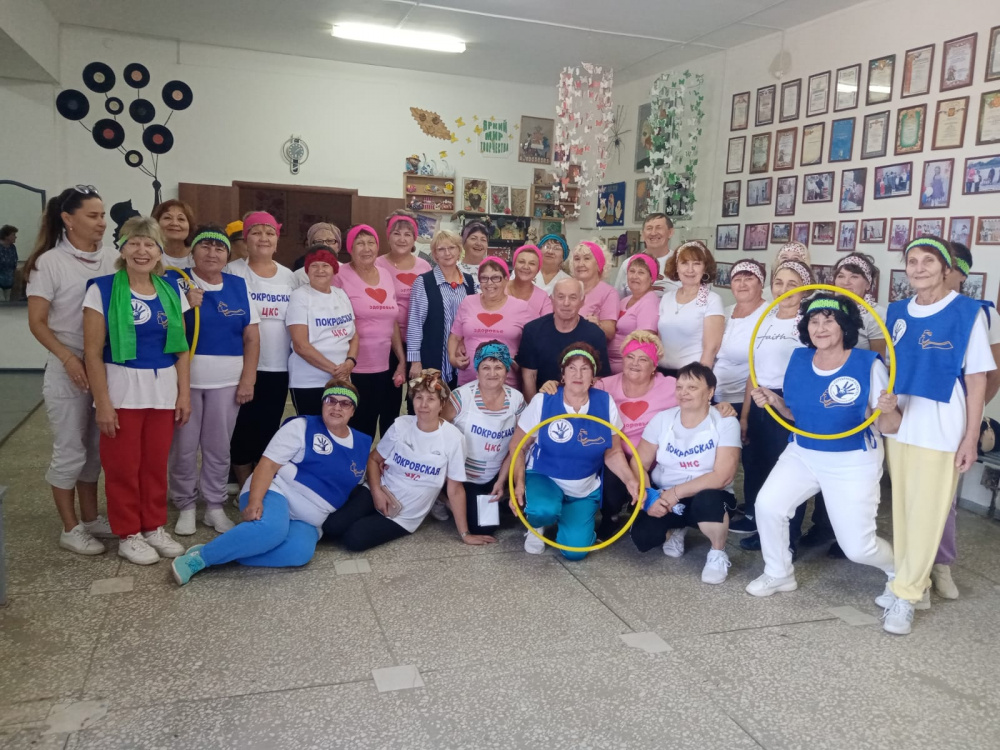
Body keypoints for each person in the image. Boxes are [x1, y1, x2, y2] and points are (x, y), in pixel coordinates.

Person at [876, 237, 994, 635]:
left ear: (947, 268)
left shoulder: (967, 312)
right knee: (904, 510)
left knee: (928, 514)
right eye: (912, 261)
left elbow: (976, 380)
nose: (919, 268)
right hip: (902, 422)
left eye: (928, 260)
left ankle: (907, 595)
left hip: (942, 424)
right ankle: (914, 582)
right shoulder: (896, 311)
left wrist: (970, 437)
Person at [744, 294, 895, 597]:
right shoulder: (799, 359)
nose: (820, 328)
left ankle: (902, 573)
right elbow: (796, 415)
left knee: (858, 548)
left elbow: (889, 427)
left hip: (852, 458)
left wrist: (889, 410)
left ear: (845, 326)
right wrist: (775, 401)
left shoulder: (867, 365)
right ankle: (778, 573)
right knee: (769, 506)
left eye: (829, 321)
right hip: (802, 451)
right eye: (814, 321)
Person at [171, 380, 372, 584]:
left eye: (345, 403)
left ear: (353, 411)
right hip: (276, 492)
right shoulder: (301, 426)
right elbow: (267, 465)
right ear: (322, 403)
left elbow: (357, 481)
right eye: (331, 400)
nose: (337, 407)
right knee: (272, 529)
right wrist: (255, 501)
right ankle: (200, 558)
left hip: (309, 519)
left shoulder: (362, 443)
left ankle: (228, 551)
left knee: (299, 553)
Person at [82, 216, 191, 565]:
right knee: (123, 466)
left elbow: (181, 348)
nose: (142, 251)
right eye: (134, 243)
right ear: (122, 249)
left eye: (149, 244)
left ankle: (153, 525)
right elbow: (92, 352)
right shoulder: (101, 289)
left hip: (163, 389)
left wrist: (184, 393)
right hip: (122, 388)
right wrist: (103, 403)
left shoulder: (171, 290)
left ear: (159, 252)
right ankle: (128, 533)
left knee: (155, 464)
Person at [25, 186, 118, 555]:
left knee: (95, 449)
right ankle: (70, 527)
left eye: (102, 215)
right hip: (68, 365)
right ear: (68, 219)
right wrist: (68, 358)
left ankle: (91, 518)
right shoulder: (49, 262)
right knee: (70, 449)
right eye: (93, 216)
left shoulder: (112, 258)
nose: (101, 222)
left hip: (105, 363)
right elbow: (37, 322)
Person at [321, 369, 496, 550]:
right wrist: (376, 492)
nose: (423, 405)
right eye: (419, 397)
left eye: (431, 399)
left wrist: (465, 534)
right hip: (380, 489)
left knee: (354, 539)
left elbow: (455, 489)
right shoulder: (401, 424)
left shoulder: (454, 438)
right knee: (332, 526)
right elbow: (374, 460)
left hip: (405, 515)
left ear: (442, 404)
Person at [166, 224, 260, 536]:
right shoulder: (175, 282)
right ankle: (185, 504)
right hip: (185, 383)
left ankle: (215, 505)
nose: (212, 253)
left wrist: (248, 379)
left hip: (227, 382)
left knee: (219, 447)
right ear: (192, 251)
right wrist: (184, 302)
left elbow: (252, 337)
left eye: (219, 248)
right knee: (184, 447)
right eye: (205, 246)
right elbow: (161, 325)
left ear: (228, 254)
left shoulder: (238, 285)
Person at [511, 343, 638, 559]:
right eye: (571, 368)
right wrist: (519, 483)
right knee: (543, 510)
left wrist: (630, 480)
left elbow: (613, 452)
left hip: (583, 488)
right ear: (562, 374)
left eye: (585, 369)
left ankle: (566, 517)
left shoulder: (605, 402)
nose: (578, 374)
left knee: (575, 553)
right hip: (544, 477)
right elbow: (518, 446)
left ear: (593, 377)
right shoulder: (543, 400)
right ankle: (538, 523)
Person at [800, 251, 886, 553]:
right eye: (841, 276)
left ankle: (846, 535)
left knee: (847, 477)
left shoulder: (874, 315)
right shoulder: (824, 308)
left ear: (868, 284)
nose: (846, 282)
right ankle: (822, 527)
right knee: (819, 467)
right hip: (822, 397)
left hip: (853, 399)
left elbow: (879, 358)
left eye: (854, 277)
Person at [931, 242, 1000, 599]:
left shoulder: (982, 314)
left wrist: (971, 418)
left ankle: (941, 563)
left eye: (947, 264)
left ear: (960, 272)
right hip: (913, 413)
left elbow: (992, 373)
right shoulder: (914, 308)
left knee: (945, 496)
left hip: (955, 413)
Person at [630, 363, 739, 584]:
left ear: (710, 392)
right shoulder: (663, 419)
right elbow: (638, 463)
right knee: (643, 537)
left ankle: (717, 552)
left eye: (692, 387)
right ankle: (675, 530)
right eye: (679, 387)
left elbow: (723, 476)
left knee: (708, 501)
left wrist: (676, 493)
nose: (683, 393)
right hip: (664, 493)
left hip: (707, 493)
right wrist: (650, 497)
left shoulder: (725, 422)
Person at [732, 259, 814, 544]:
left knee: (787, 473)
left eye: (793, 284)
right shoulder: (765, 319)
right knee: (758, 467)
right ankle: (762, 529)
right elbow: (753, 372)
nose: (784, 289)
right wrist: (745, 416)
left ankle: (788, 537)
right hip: (759, 400)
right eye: (779, 283)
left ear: (805, 290)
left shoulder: (809, 323)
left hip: (788, 401)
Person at [224, 211, 296, 487]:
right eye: (256, 232)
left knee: (268, 428)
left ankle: (259, 483)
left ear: (277, 240)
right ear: (246, 239)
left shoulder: (289, 277)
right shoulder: (232, 272)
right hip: (242, 366)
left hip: (278, 366)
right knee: (241, 428)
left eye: (269, 233)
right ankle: (243, 483)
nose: (263, 238)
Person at [443, 341, 526, 535]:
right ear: (477, 371)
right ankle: (443, 499)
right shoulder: (461, 397)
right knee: (481, 528)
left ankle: (501, 497)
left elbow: (517, 446)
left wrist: (502, 481)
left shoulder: (516, 399)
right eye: (486, 367)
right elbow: (439, 433)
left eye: (498, 367)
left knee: (495, 522)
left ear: (507, 370)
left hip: (496, 472)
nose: (492, 373)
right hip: (464, 476)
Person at [333, 224, 406, 437]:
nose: (366, 248)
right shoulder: (340, 275)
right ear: (350, 248)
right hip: (353, 366)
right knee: (357, 427)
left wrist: (401, 360)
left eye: (371, 243)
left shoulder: (385, 274)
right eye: (360, 243)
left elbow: (392, 321)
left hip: (385, 366)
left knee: (383, 423)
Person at [286, 244, 357, 416]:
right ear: (307, 270)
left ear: (334, 269)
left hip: (342, 380)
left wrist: (350, 362)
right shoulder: (300, 296)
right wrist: (335, 371)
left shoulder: (341, 295)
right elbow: (300, 345)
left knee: (337, 426)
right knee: (313, 428)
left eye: (325, 265)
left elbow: (354, 335)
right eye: (314, 265)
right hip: (309, 382)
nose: (320, 270)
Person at [376, 211, 433, 422]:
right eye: (397, 233)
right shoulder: (378, 264)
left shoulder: (424, 266)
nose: (402, 239)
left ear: (414, 238)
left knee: (417, 398)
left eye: (408, 234)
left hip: (418, 344)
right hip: (386, 343)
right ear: (388, 236)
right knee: (387, 401)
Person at [516, 278, 610, 400]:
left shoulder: (595, 334)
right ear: (552, 299)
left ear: (582, 301)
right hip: (543, 400)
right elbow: (529, 376)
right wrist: (534, 407)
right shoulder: (533, 330)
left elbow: (599, 378)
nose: (566, 303)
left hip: (581, 402)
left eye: (573, 297)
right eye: (560, 297)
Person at [449, 257, 531, 388]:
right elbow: (455, 337)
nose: (489, 283)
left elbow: (532, 343)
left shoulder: (521, 307)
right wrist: (453, 359)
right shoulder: (468, 302)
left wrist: (521, 364)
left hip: (507, 384)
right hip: (468, 383)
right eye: (484, 278)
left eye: (496, 278)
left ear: (506, 279)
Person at [407, 230, 476, 388]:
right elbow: (415, 324)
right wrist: (415, 361)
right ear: (435, 255)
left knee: (458, 400)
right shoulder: (424, 282)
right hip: (431, 356)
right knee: (431, 399)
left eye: (451, 248)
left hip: (462, 357)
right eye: (441, 249)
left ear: (459, 250)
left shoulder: (469, 282)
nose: (447, 253)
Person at [657, 240, 725, 374]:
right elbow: (659, 340)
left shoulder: (712, 300)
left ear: (705, 268)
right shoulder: (666, 298)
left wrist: (699, 379)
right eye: (684, 263)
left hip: (691, 375)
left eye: (696, 263)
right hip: (661, 372)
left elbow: (711, 349)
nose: (690, 269)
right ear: (676, 267)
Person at [713, 260, 768, 412]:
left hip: (744, 400)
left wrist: (745, 414)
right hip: (714, 395)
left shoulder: (769, 314)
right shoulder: (724, 312)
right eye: (737, 279)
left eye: (749, 279)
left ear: (761, 284)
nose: (742, 284)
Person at [609, 253, 659, 373]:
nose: (635, 276)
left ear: (651, 278)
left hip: (627, 370)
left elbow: (644, 342)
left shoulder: (649, 302)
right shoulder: (625, 300)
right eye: (632, 271)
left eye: (641, 272)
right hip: (609, 364)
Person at [612, 214, 678, 297]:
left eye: (659, 228)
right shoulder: (629, 263)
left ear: (670, 232)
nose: (653, 233)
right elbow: (617, 299)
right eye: (649, 228)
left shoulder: (680, 263)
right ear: (643, 234)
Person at [570, 241, 618, 341]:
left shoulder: (609, 293)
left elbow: (610, 332)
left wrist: (598, 325)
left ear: (598, 264)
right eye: (577, 259)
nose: (580, 264)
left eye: (587, 258)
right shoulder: (566, 287)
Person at [292, 222, 342, 289]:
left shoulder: (347, 272)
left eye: (330, 241)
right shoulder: (299, 276)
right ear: (310, 246)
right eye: (318, 241)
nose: (325, 245)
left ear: (338, 246)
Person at [507, 244, 552, 317]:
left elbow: (547, 322)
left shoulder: (543, 297)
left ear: (537, 270)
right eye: (521, 262)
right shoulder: (500, 289)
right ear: (514, 265)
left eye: (532, 264)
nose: (526, 267)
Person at [153, 199, 195, 269]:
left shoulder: (199, 257)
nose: (174, 223)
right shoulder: (149, 256)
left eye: (181, 219)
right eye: (167, 218)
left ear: (189, 226)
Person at [458, 221, 490, 290]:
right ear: (463, 242)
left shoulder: (494, 270)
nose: (478, 243)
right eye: (473, 238)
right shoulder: (454, 269)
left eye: (483, 240)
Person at [0, 224, 17, 301]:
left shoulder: (12, 248)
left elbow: (14, 263)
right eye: (13, 235)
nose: (15, 237)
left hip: (9, 282)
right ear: (6, 236)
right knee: (2, 301)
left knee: (7, 303)